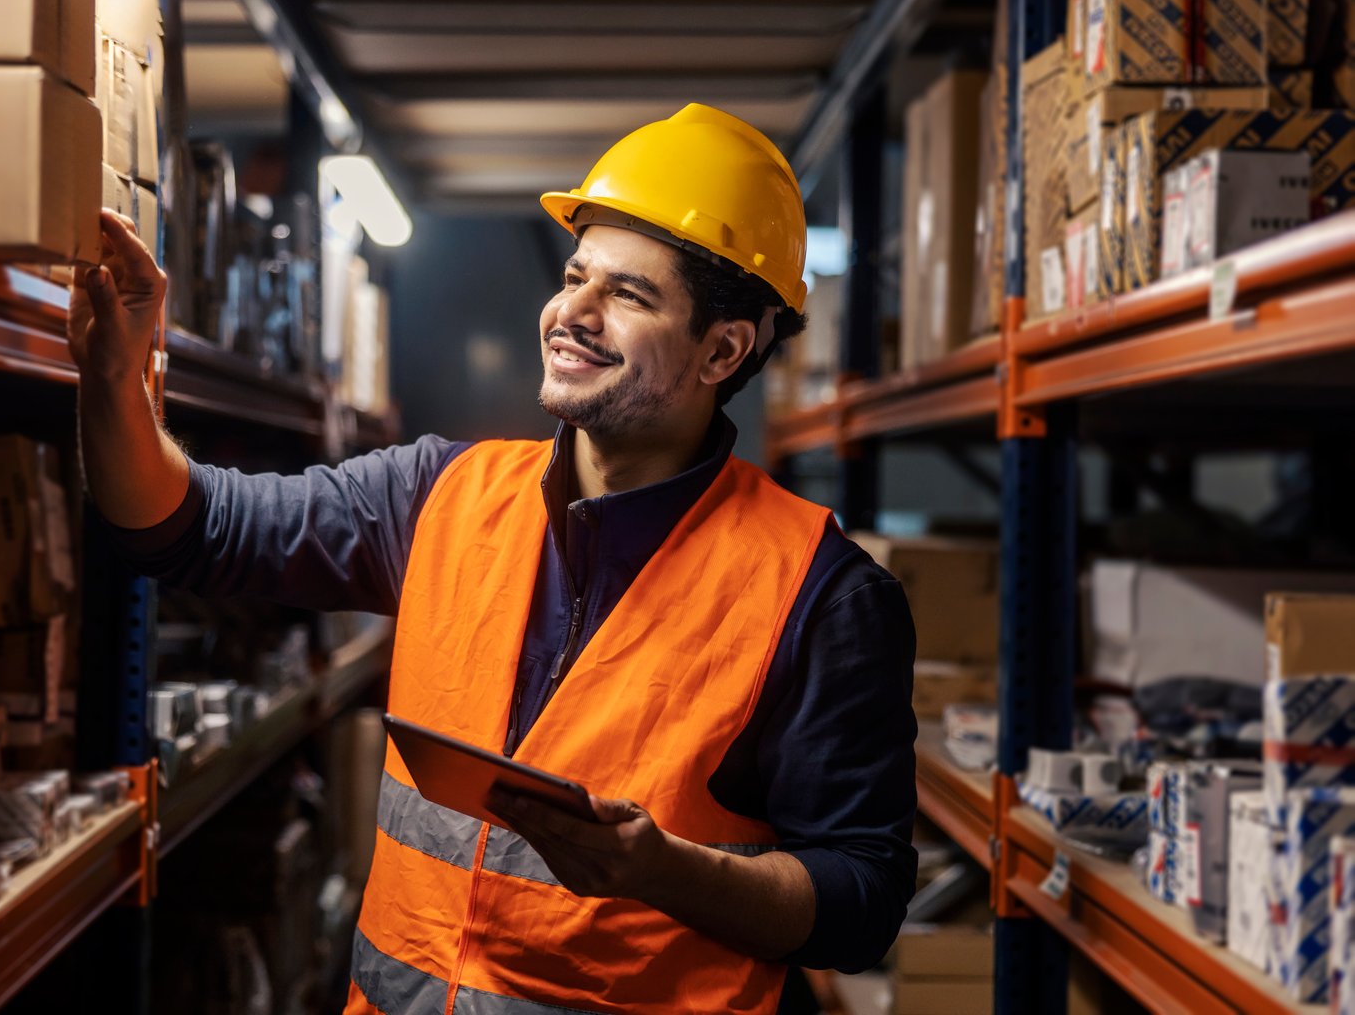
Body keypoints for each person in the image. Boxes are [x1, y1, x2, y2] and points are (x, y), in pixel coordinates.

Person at [70, 103, 917, 1013]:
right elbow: (184, 526)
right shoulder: (439, 494)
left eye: (628, 295)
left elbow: (859, 905)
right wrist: (116, 379)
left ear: (723, 349)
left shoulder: (820, 594)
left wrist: (664, 872)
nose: (571, 314)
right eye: (575, 276)